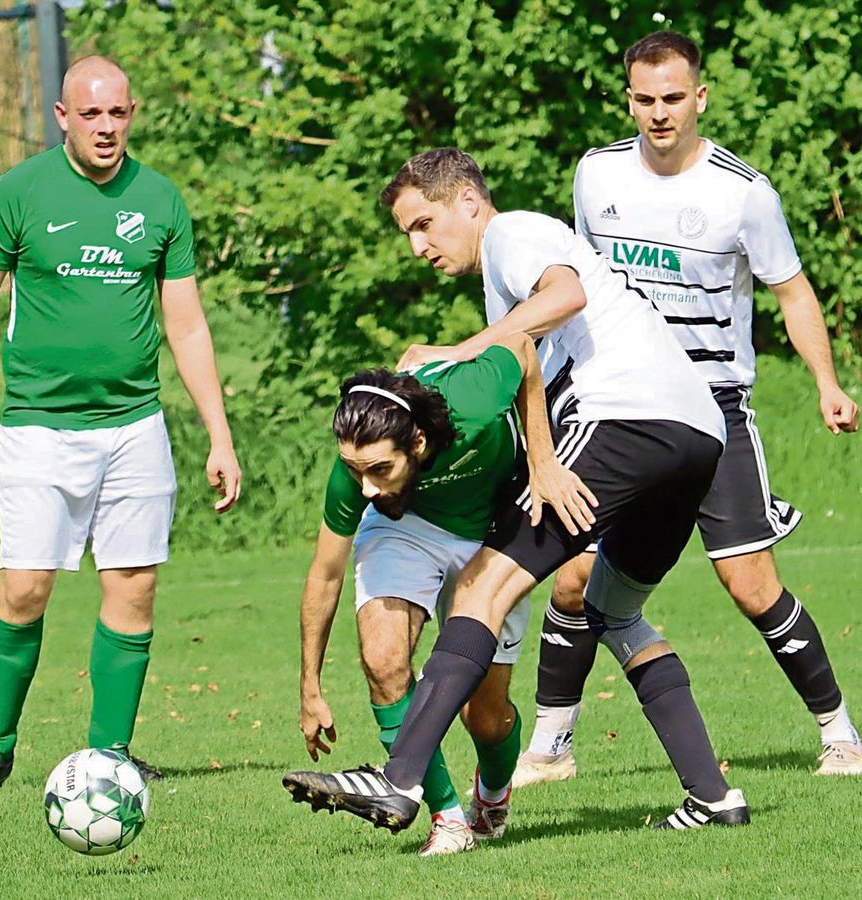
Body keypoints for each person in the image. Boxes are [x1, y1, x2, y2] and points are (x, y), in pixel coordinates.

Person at [283, 148, 750, 833]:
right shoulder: (506, 271)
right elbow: (530, 346)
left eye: (423, 224)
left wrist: (521, 432)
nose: (417, 246)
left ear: (467, 201)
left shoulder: (511, 233)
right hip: (696, 435)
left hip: (624, 415)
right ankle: (714, 797)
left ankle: (398, 777)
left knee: (480, 588)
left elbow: (563, 297)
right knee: (613, 613)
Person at [514, 30, 861, 788]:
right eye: (645, 99)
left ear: (698, 97)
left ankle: (842, 734)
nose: (659, 113)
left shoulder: (742, 192)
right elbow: (577, 282)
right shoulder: (595, 173)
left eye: (674, 98)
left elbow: (791, 290)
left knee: (749, 585)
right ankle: (551, 746)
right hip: (620, 401)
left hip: (712, 409)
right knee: (571, 573)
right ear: (628, 99)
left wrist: (826, 384)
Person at [0, 56, 240, 794]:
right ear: (62, 117)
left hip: (135, 427)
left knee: (133, 589)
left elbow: (186, 326)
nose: (105, 127)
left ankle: (109, 757)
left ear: (132, 114)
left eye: (117, 113)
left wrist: (218, 435)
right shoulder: (20, 193)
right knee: (24, 590)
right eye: (90, 114)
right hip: (39, 428)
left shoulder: (158, 200)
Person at [296, 331, 563, 855]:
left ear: (417, 443)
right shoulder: (358, 474)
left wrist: (543, 459)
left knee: (484, 717)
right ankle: (447, 820)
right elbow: (324, 574)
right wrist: (310, 685)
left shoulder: (476, 400)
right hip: (407, 526)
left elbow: (524, 349)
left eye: (379, 470)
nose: (365, 487)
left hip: (495, 532)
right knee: (383, 658)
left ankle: (492, 793)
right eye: (355, 470)